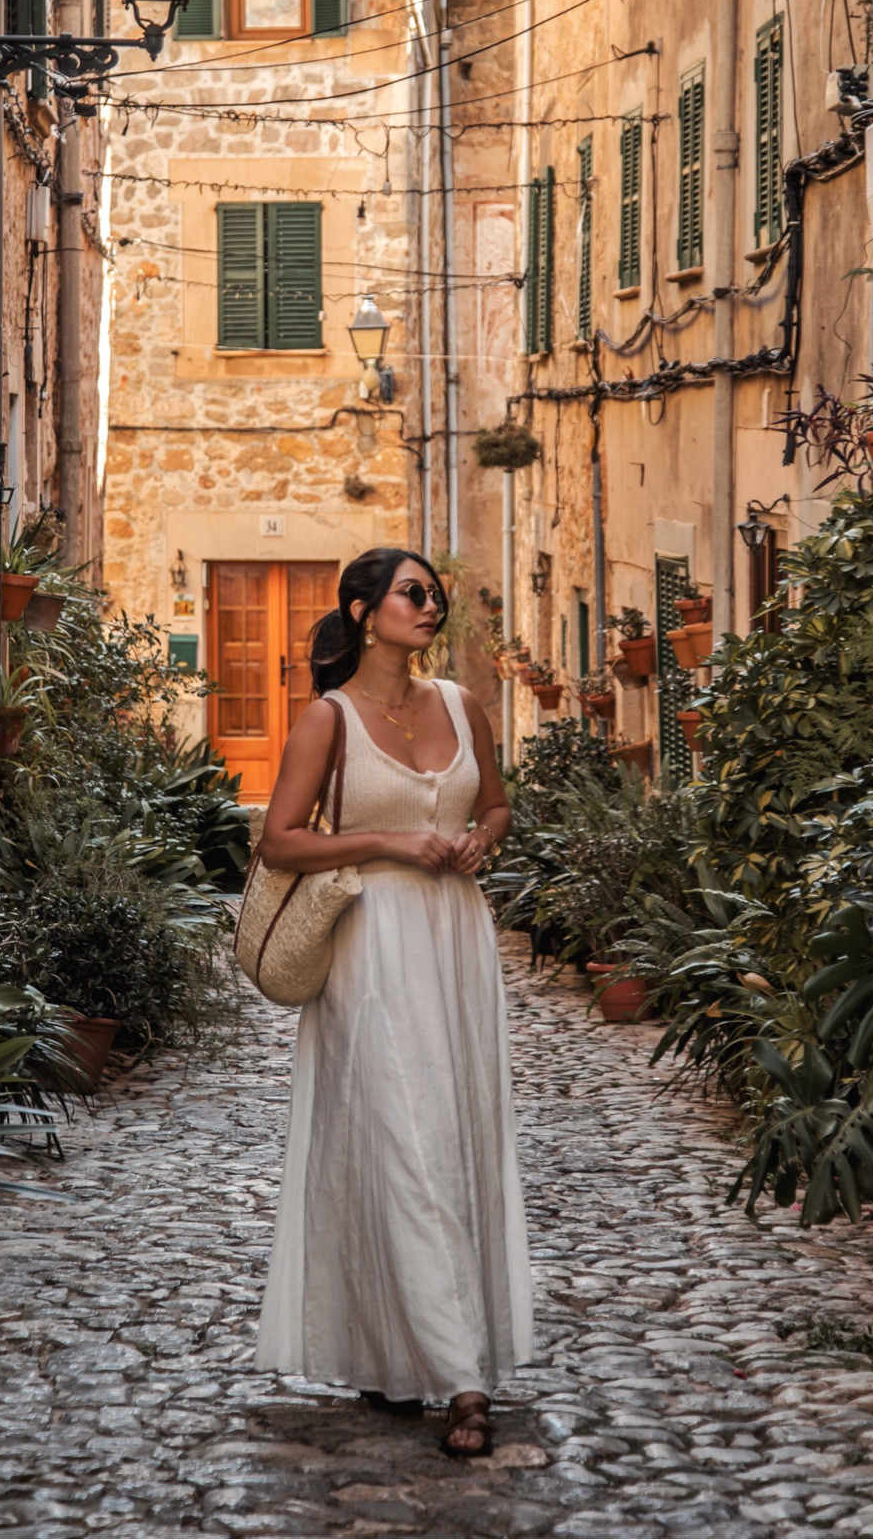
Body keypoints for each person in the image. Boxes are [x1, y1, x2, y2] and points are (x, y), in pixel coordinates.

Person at [254, 548, 532, 1457]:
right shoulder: (327, 721)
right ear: (366, 611)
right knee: (400, 1141)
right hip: (372, 948)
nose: (430, 604)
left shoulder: (462, 705)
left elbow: (495, 806)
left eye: (434, 594)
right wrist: (391, 841)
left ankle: (397, 1351)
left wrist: (473, 844)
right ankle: (460, 1382)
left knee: (454, 1137)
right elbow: (282, 842)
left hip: (456, 942)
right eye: (414, 593)